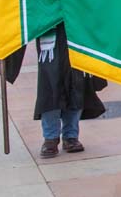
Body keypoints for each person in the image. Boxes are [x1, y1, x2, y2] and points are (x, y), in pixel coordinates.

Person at [32, 23, 106, 157]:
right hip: (51, 36)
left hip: (76, 34)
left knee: (77, 86)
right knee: (50, 88)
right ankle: (50, 138)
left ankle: (70, 136)